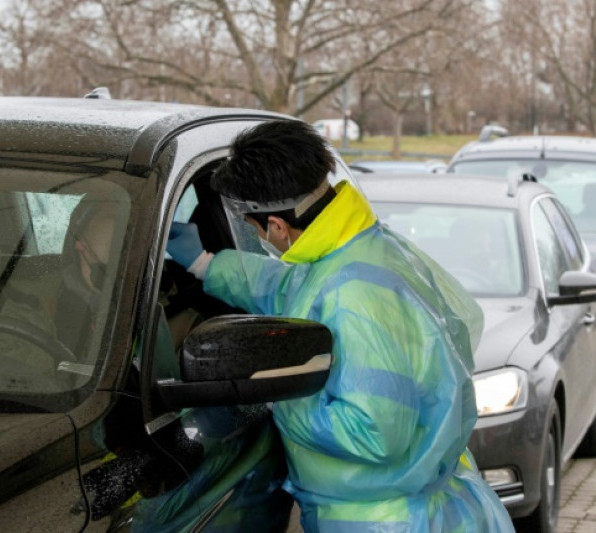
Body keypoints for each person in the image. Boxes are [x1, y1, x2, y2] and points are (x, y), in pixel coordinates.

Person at [166, 120, 514, 532]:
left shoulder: (356, 298)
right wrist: (206, 264)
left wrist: (279, 398)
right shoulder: (356, 250)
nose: (259, 237)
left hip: (385, 522)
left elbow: (374, 433)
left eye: (253, 227)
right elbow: (291, 288)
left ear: (277, 226)